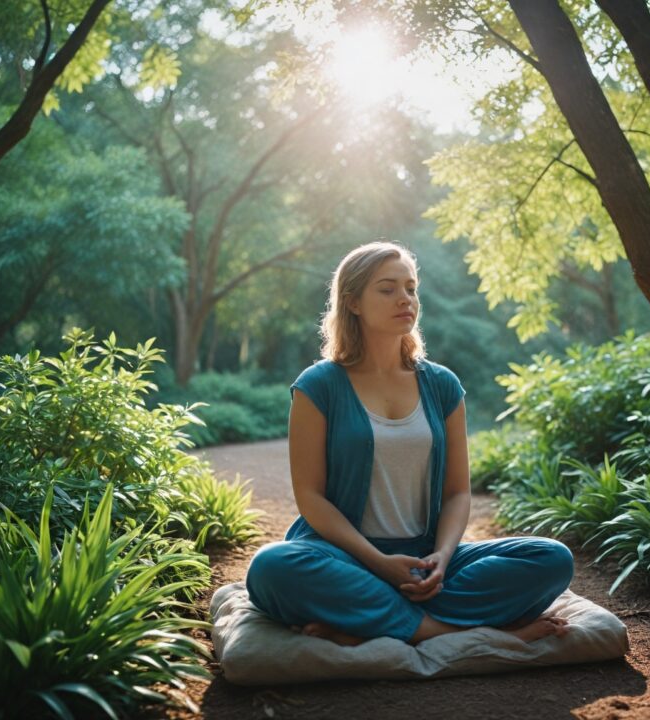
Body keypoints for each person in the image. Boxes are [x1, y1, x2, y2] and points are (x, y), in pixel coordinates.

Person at [246, 241, 574, 646]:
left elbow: (457, 493)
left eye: (411, 288)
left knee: (551, 559)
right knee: (271, 567)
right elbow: (311, 499)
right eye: (387, 289)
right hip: (344, 556)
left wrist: (443, 557)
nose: (405, 299)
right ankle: (453, 630)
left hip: (423, 558)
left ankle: (365, 623)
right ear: (353, 302)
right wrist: (380, 564)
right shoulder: (318, 386)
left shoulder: (442, 385)